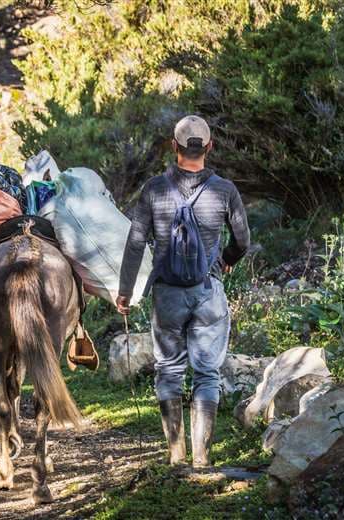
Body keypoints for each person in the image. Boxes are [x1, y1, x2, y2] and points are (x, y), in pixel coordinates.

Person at [116, 115, 250, 467]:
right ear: (209, 147)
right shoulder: (225, 190)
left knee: (169, 370)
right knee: (207, 372)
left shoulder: (154, 189)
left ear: (173, 146)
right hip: (207, 291)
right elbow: (243, 241)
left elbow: (134, 244)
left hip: (166, 295)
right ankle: (202, 457)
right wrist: (226, 259)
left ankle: (176, 455)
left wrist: (125, 291)